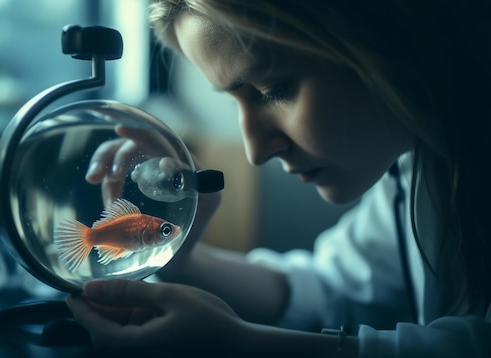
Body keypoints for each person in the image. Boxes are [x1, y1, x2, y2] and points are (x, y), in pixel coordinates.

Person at [65, 0, 491, 356]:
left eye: (271, 91)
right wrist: (181, 254)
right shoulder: (414, 162)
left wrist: (248, 347)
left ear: (382, 38)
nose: (255, 152)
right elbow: (332, 289)